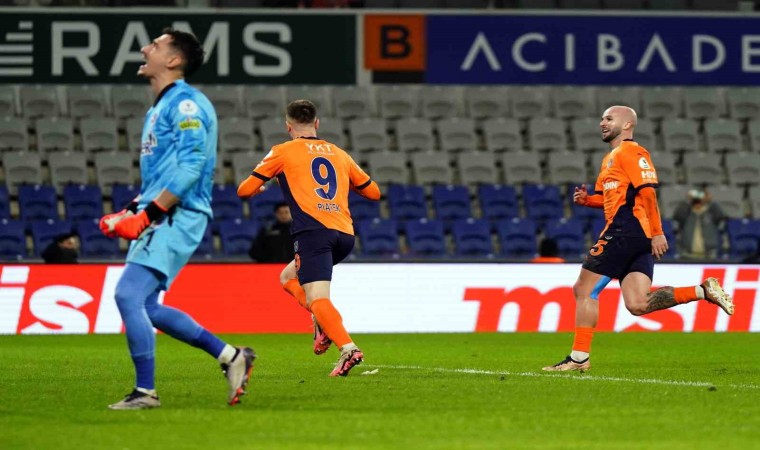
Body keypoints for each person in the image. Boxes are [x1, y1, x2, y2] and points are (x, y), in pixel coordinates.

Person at [99, 28, 254, 409]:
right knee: (147, 306)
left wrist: (148, 214)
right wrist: (131, 211)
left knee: (127, 295)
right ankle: (231, 356)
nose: (144, 48)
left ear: (173, 60)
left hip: (177, 214)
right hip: (163, 213)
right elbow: (161, 176)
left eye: (154, 45)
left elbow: (191, 167)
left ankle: (145, 392)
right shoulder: (160, 107)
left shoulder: (186, 105)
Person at [543, 106, 734, 372]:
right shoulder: (610, 158)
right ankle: (703, 290)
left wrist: (658, 232)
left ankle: (578, 359)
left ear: (627, 124)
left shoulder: (632, 152)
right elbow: (614, 199)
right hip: (635, 234)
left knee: (584, 290)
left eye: (609, 118)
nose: (602, 123)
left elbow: (647, 194)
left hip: (626, 230)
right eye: (602, 118)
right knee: (638, 304)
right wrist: (589, 201)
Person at [237, 99, 381, 376]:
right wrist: (346, 182)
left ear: (288, 126)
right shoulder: (339, 153)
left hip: (313, 233)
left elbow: (244, 190)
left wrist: (260, 187)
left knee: (317, 298)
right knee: (287, 278)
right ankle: (323, 322)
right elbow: (373, 193)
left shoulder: (282, 151)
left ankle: (348, 348)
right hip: (345, 234)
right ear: (316, 123)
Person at [672, 188, 726, 259]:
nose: (698, 203)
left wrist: (710, 200)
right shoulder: (687, 214)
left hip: (709, 255)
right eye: (695, 201)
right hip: (687, 255)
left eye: (700, 201)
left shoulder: (711, 213)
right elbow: (677, 215)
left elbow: (721, 216)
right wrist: (687, 200)